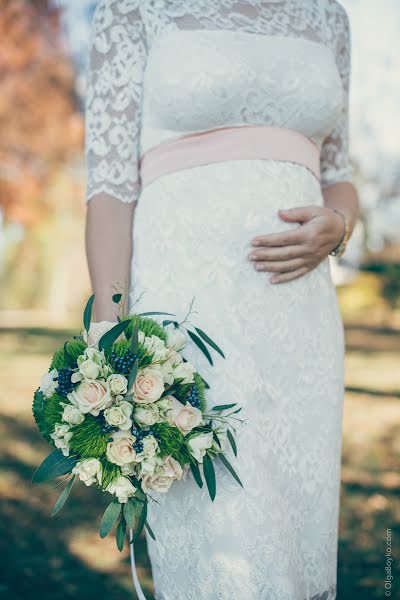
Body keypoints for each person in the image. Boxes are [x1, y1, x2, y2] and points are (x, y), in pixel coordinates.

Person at [84, 1, 360, 598]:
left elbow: (338, 171)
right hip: (188, 315)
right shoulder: (134, 7)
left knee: (294, 539)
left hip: (301, 320)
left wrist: (341, 223)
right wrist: (110, 338)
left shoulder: (327, 17)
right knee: (222, 540)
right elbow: (109, 187)